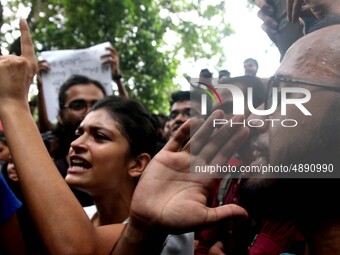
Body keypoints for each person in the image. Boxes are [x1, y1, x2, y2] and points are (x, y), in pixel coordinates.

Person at [0, 19, 248, 254]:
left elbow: (76, 248)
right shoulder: (81, 217)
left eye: (99, 136)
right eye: (78, 133)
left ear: (138, 164)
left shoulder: (168, 225)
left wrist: (12, 101)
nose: (76, 144)